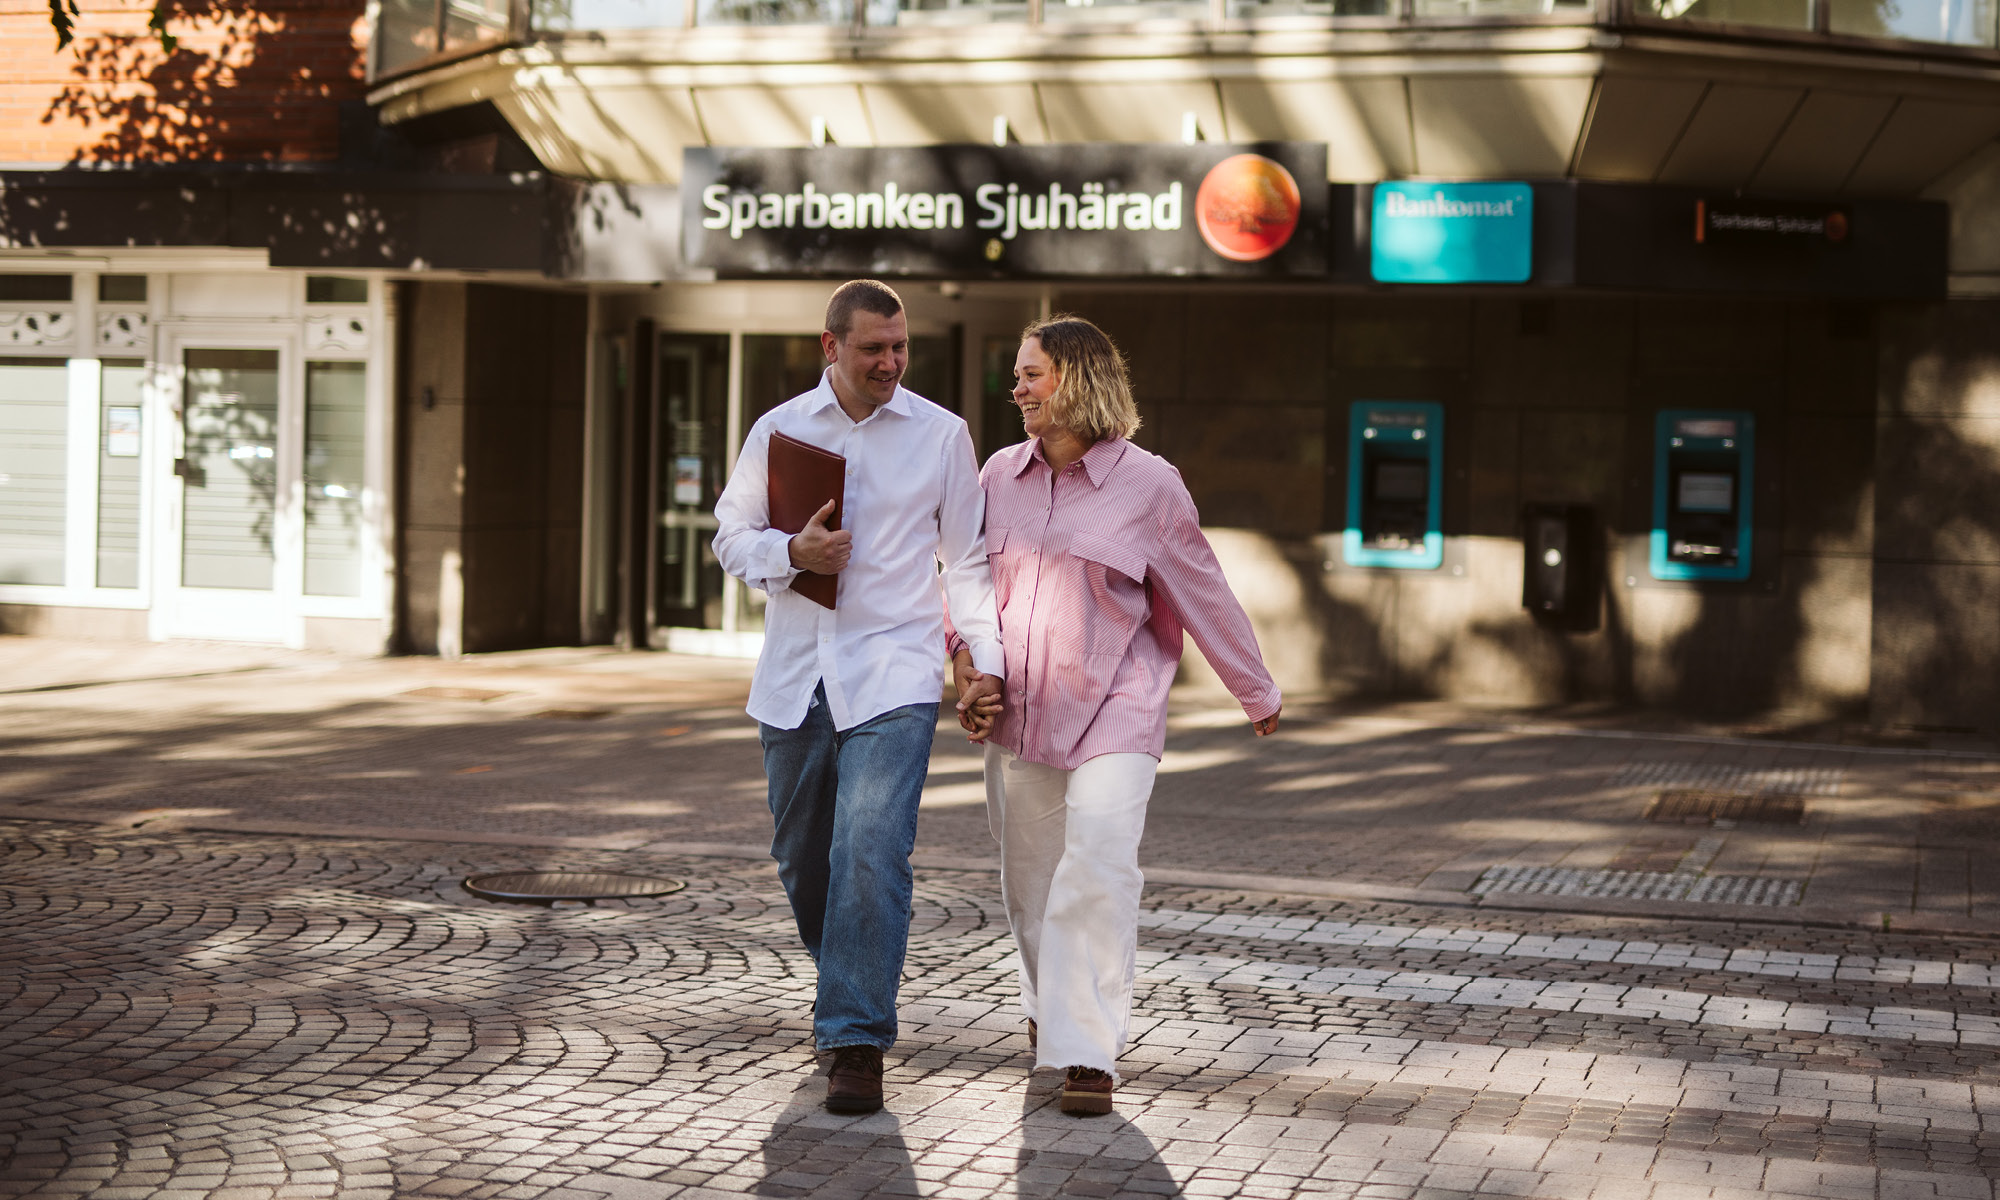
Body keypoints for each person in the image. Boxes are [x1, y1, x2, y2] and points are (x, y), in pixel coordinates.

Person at [947, 315, 1281, 1117]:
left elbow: (1201, 587)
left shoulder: (1150, 485)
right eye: (1018, 375)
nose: (1016, 389)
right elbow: (963, 585)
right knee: (1030, 882)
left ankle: (1088, 1051)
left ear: (1079, 380)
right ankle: (1048, 1009)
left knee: (1098, 862)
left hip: (1119, 706)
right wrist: (966, 667)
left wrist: (1255, 689)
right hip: (1021, 710)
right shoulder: (997, 476)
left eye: (1031, 375)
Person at [714, 280, 1005, 1115]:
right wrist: (790, 549)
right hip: (796, 680)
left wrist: (982, 662)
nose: (891, 362)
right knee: (805, 861)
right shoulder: (778, 430)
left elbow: (970, 562)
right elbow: (730, 536)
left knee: (870, 854)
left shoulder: (942, 436)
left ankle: (854, 1038)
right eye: (874, 348)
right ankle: (849, 974)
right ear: (829, 347)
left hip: (894, 677)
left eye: (900, 347)